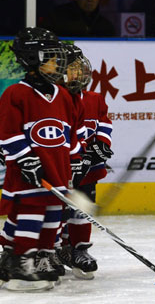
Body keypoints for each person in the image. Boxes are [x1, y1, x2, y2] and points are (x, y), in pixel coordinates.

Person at [0, 27, 83, 291]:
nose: (59, 64)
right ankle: (20, 262)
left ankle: (41, 259)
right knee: (30, 215)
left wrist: (75, 159)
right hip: (28, 174)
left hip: (56, 173)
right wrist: (26, 159)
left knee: (54, 217)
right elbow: (7, 134)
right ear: (33, 58)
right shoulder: (15, 94)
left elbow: (70, 133)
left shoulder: (63, 95)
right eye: (52, 58)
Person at [55, 43, 113, 280]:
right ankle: (56, 249)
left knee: (81, 210)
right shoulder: (53, 100)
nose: (78, 73)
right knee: (57, 212)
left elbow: (105, 123)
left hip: (88, 170)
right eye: (72, 68)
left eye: (80, 67)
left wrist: (102, 144)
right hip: (60, 171)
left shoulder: (94, 98)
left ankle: (79, 250)